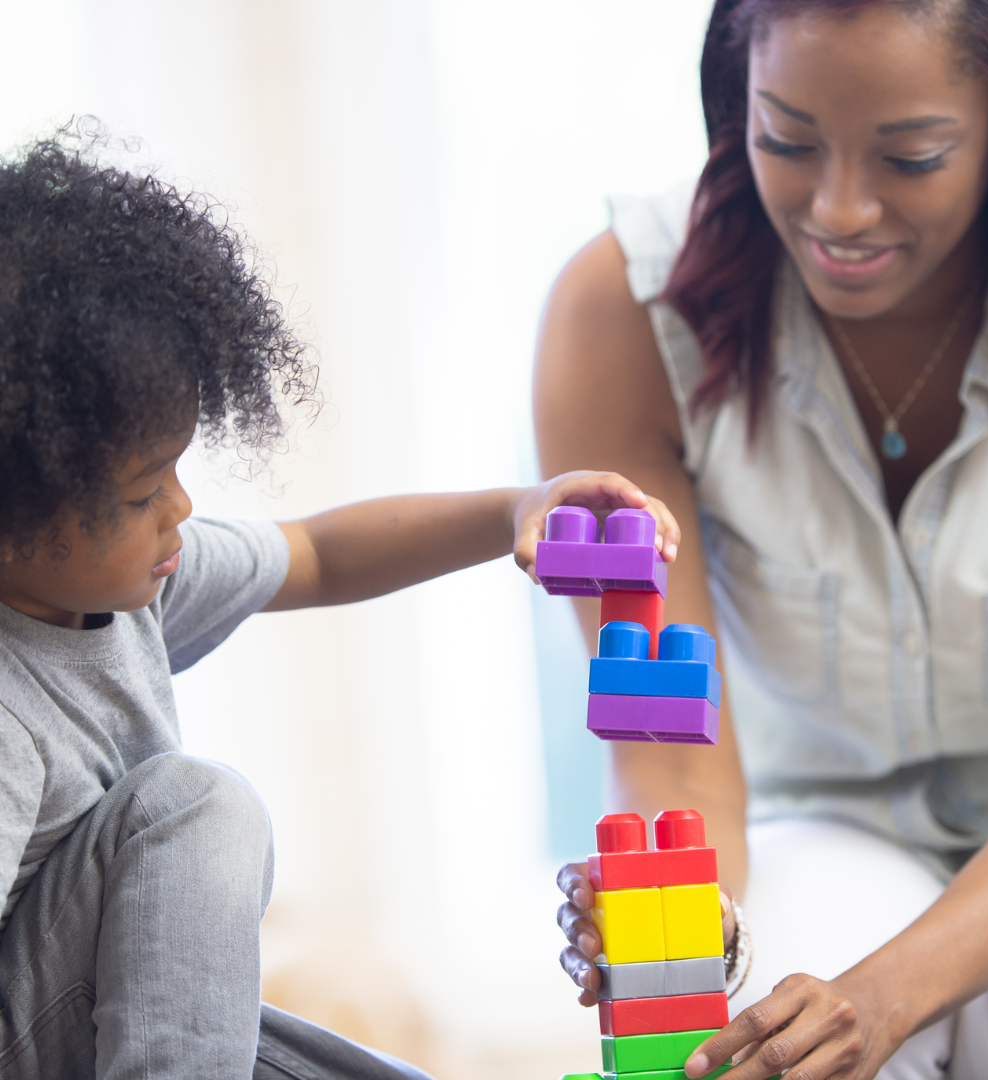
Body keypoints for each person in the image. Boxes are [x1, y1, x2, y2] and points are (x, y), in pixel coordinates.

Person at [0, 128, 680, 1080]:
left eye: (176, 472)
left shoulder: (126, 589)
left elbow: (319, 551)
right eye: (140, 494)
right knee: (196, 806)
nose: (181, 510)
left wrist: (518, 509)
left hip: (107, 1012)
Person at [537, 1, 988, 1078]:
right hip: (819, 823)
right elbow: (671, 765)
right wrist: (673, 924)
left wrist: (882, 999)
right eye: (786, 139)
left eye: (911, 156)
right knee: (773, 1057)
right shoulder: (624, 317)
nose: (838, 209)